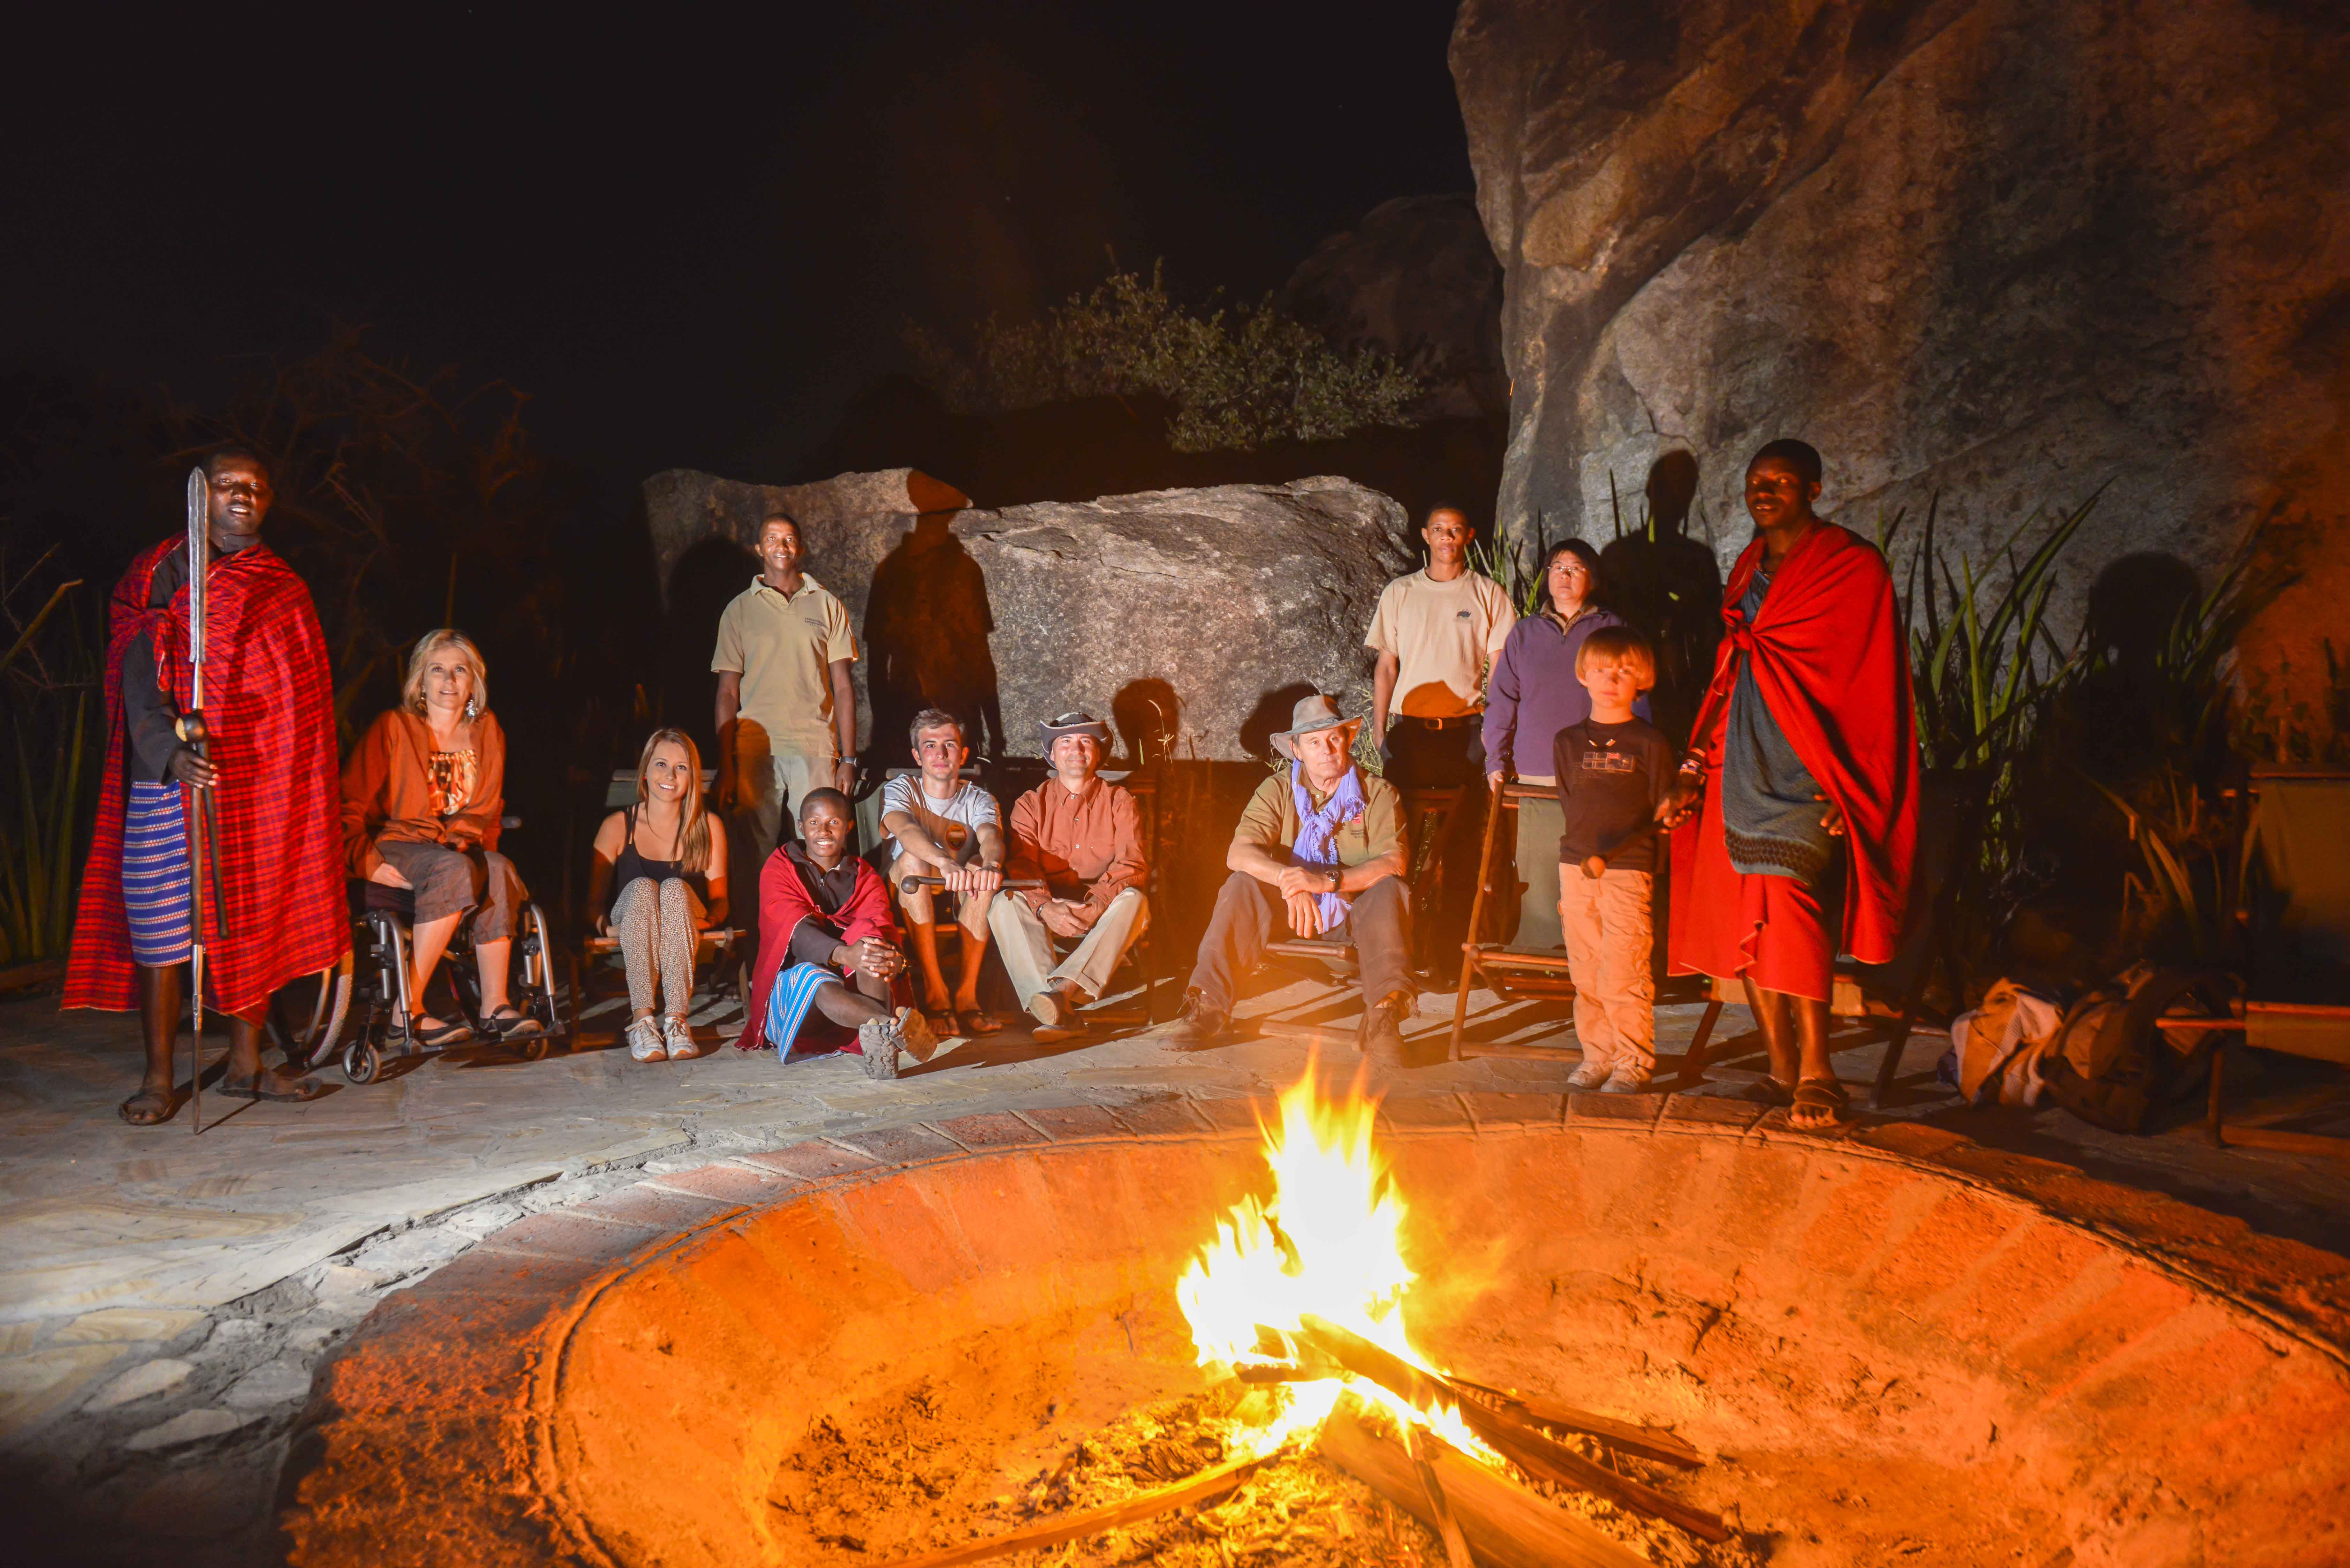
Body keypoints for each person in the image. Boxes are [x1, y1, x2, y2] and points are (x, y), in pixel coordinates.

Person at [66, 445, 345, 1122]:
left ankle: (247, 1066)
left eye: (255, 486)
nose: (242, 495)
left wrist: (273, 761)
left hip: (256, 779)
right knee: (160, 920)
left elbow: (295, 696)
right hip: (171, 774)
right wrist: (166, 748)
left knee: (251, 912)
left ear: (270, 499)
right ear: (203, 496)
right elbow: (137, 664)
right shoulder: (165, 568)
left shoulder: (281, 586)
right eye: (227, 485)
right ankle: (160, 1076)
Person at [1664, 439, 1920, 1130]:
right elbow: (1732, 666)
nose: (1764, 490)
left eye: (1779, 480)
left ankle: (1819, 1070)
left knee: (1792, 911)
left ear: (1812, 487)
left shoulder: (1850, 566)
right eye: (1755, 481)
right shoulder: (1749, 565)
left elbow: (1868, 687)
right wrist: (1693, 763)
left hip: (1805, 767)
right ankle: (1779, 1068)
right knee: (1737, 910)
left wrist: (1851, 787)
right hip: (1734, 758)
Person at [1165, 693, 1417, 1063]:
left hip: (1353, 918)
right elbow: (1239, 852)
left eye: (1334, 737)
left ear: (1347, 741)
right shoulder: (1278, 789)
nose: (1327, 749)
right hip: (1288, 915)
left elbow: (1394, 861)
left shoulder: (1377, 794)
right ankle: (1209, 1007)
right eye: (1314, 741)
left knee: (1389, 890)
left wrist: (1325, 882)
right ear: (1297, 751)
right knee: (1241, 883)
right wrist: (1290, 879)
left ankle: (1383, 1018)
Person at [342, 629, 542, 1044]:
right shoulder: (393, 727)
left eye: (459, 671)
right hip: (398, 844)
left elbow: (487, 809)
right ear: (421, 680)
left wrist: (479, 856)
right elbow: (349, 804)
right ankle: (406, 1010)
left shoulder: (488, 731)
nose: (449, 681)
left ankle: (495, 1005)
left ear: (473, 682)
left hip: (459, 848)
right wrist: (366, 863)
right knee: (452, 868)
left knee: (501, 868)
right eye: (438, 670)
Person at [1365, 504, 1516, 978]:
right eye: (1439, 530)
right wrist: (1378, 727)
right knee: (1394, 846)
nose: (1447, 537)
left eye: (1456, 529)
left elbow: (1501, 667)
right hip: (1410, 733)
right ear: (1425, 536)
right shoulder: (1401, 592)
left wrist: (1497, 732)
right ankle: (1392, 956)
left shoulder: (1487, 592)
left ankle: (1450, 959)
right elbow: (1387, 663)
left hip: (1466, 734)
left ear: (1468, 536)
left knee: (1464, 850)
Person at [732, 788, 937, 1078]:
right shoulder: (780, 868)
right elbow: (795, 930)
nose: (824, 831)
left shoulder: (863, 875)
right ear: (801, 828)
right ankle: (889, 1025)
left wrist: (894, 960)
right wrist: (843, 954)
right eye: (814, 823)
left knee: (872, 940)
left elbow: (882, 925)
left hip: (852, 997)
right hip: (795, 1002)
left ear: (848, 828)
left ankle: (878, 1040)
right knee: (815, 978)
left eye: (834, 823)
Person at [1552, 627, 1676, 1092]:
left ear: (1641, 680)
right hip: (1576, 866)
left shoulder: (1651, 744)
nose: (1611, 679)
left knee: (1623, 972)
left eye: (1624, 671)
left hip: (1628, 869)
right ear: (1585, 675)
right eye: (1602, 669)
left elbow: (1661, 810)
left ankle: (1633, 1062)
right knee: (1586, 970)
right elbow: (1570, 799)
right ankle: (1598, 1057)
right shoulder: (1567, 742)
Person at [989, 711, 1149, 1036]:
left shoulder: (1120, 801)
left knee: (1135, 900)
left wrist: (1097, 904)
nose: (1076, 749)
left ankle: (1057, 998)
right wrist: (1045, 907)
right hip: (1048, 905)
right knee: (1003, 902)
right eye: (1066, 742)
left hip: (1103, 909)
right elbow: (1022, 865)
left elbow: (1132, 864)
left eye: (1085, 742)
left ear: (1098, 753)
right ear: (1052, 753)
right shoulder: (1031, 804)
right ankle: (1058, 1009)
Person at [713, 510, 858, 864]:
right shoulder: (739, 609)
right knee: (752, 852)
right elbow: (728, 692)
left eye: (790, 539)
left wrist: (849, 758)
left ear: (801, 548)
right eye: (773, 538)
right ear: (759, 547)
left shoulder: (827, 604)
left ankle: (816, 920)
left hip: (815, 744)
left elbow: (842, 686)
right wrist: (727, 763)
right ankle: (752, 920)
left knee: (820, 846)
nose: (782, 545)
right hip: (755, 749)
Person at [587, 728, 731, 1063]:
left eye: (681, 768)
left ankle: (677, 1020)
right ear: (646, 770)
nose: (669, 775)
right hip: (632, 922)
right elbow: (593, 904)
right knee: (642, 888)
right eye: (661, 764)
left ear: (692, 776)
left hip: (684, 920)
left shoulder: (708, 825)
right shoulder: (618, 825)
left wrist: (706, 921)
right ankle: (642, 1021)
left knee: (674, 889)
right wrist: (606, 928)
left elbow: (721, 899)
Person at [880, 709, 1005, 1036]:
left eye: (949, 745)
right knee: (912, 859)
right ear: (917, 755)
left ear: (963, 754)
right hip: (907, 888)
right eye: (931, 745)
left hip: (958, 888)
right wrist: (945, 862)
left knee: (980, 867)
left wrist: (991, 864)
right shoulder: (901, 788)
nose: (940, 754)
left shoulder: (979, 797)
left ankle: (966, 996)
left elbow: (991, 837)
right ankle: (936, 994)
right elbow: (904, 828)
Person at [1482, 540, 1631, 788]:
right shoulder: (1524, 633)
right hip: (1533, 770)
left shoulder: (1611, 629)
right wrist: (1496, 761)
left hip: (1598, 770)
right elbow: (1502, 699)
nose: (1565, 575)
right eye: (1558, 567)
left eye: (1576, 568)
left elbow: (1635, 697)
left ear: (1592, 578)